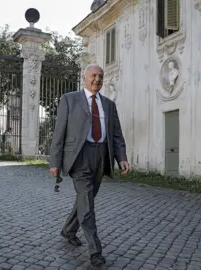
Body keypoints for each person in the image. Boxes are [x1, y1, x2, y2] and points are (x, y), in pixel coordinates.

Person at [49, 63, 130, 267]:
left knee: (86, 199)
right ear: (84, 78)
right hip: (79, 156)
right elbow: (59, 133)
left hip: (101, 156)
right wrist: (55, 162)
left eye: (100, 76)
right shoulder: (69, 99)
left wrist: (121, 158)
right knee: (88, 203)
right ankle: (95, 252)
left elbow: (116, 134)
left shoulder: (109, 105)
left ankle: (68, 230)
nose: (97, 80)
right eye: (93, 75)